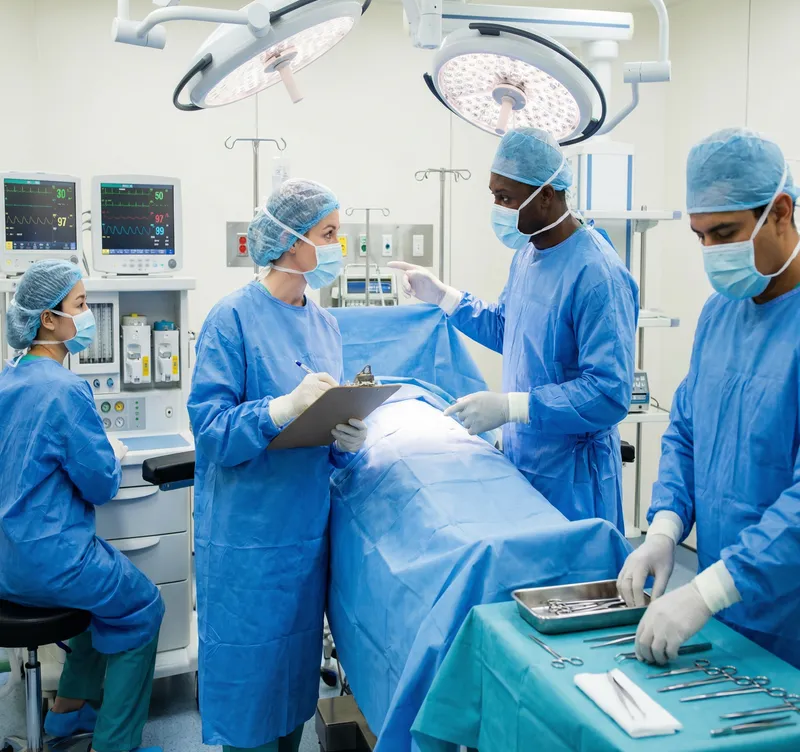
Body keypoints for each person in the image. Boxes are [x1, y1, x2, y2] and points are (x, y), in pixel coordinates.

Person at [188, 179, 369, 752]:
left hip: (302, 541)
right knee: (251, 699)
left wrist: (346, 436)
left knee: (293, 690)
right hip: (248, 545)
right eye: (330, 235)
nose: (341, 247)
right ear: (290, 243)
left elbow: (322, 438)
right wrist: (279, 408)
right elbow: (212, 432)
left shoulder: (326, 324)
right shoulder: (231, 319)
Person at [390, 128, 638, 531]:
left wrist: (512, 408)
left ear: (546, 195)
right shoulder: (529, 253)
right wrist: (444, 297)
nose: (497, 207)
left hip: (574, 477)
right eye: (493, 195)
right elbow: (510, 328)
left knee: (571, 586)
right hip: (527, 458)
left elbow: (608, 393)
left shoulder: (598, 274)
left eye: (505, 198)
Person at [617, 128, 800, 667]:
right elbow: (686, 432)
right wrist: (666, 527)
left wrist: (709, 589)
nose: (712, 252)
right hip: (726, 609)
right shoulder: (719, 314)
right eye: (700, 236)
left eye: (724, 232)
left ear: (782, 211)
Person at [0, 260, 163, 752]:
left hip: (6, 562)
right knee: (143, 607)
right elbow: (99, 486)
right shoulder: (66, 389)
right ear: (49, 319)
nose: (88, 316)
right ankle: (116, 744)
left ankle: (66, 714)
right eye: (81, 305)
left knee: (101, 604)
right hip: (51, 562)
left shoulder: (7, 381)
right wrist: (110, 455)